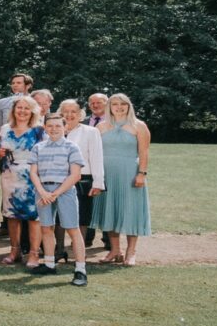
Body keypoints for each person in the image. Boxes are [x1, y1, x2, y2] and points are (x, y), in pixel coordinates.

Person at [92, 93, 152, 266]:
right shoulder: (101, 126)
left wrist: (142, 173)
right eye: (115, 104)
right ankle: (114, 250)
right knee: (110, 210)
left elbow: (144, 152)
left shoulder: (139, 126)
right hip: (106, 174)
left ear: (129, 106)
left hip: (130, 174)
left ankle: (131, 252)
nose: (119, 107)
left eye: (123, 104)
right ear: (109, 107)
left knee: (130, 211)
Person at [30, 113, 88, 285]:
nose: (54, 129)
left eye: (58, 126)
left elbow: (75, 175)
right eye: (50, 126)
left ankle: (80, 270)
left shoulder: (72, 147)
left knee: (72, 229)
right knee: (46, 228)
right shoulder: (38, 147)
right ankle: (49, 264)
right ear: (45, 127)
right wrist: (42, 191)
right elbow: (33, 172)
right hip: (43, 190)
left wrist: (54, 194)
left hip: (64, 190)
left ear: (65, 127)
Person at [0, 95, 45, 267]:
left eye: (27, 108)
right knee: (12, 215)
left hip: (32, 177)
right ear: (13, 110)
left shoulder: (39, 130)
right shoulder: (4, 129)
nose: (22, 111)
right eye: (19, 107)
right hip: (9, 176)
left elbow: (45, 154)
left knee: (34, 216)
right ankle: (14, 251)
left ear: (32, 111)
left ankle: (34, 253)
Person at [60, 99, 105, 250]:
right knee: (58, 215)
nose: (69, 115)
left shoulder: (91, 131)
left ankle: (78, 248)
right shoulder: (53, 130)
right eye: (65, 111)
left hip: (83, 178)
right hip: (57, 179)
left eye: (73, 111)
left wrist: (98, 183)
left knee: (82, 216)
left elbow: (96, 157)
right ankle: (58, 249)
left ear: (80, 114)